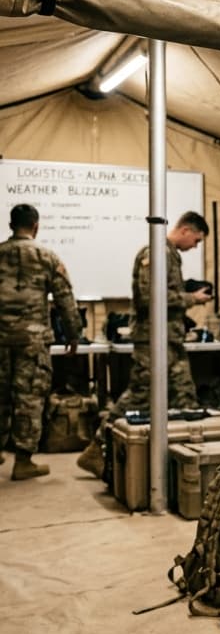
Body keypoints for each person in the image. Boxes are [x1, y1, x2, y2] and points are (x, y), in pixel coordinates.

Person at [77, 211, 211, 477]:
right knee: (140, 393)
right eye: (195, 240)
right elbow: (152, 297)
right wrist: (191, 298)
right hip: (153, 340)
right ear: (185, 229)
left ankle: (184, 464)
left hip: (169, 340)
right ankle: (98, 445)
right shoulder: (156, 252)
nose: (194, 246)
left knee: (184, 396)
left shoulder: (169, 254)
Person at [0, 203, 82, 480]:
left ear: (11, 225)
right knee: (29, 399)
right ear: (36, 225)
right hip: (32, 342)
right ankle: (23, 461)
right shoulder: (47, 257)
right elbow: (65, 300)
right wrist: (73, 334)